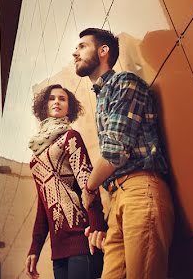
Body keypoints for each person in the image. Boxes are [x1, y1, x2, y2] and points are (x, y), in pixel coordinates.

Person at [74, 28, 173, 279]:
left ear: (103, 51)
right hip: (118, 199)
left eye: (82, 46)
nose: (75, 53)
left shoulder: (124, 82)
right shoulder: (103, 95)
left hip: (140, 191)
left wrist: (89, 187)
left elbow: (115, 152)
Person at [25, 84, 107, 279]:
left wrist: (97, 226)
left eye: (62, 99)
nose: (56, 102)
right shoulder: (35, 158)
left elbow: (88, 183)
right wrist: (34, 248)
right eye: (52, 98)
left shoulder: (71, 138)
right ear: (43, 106)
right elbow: (43, 205)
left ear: (69, 108)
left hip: (84, 238)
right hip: (58, 249)